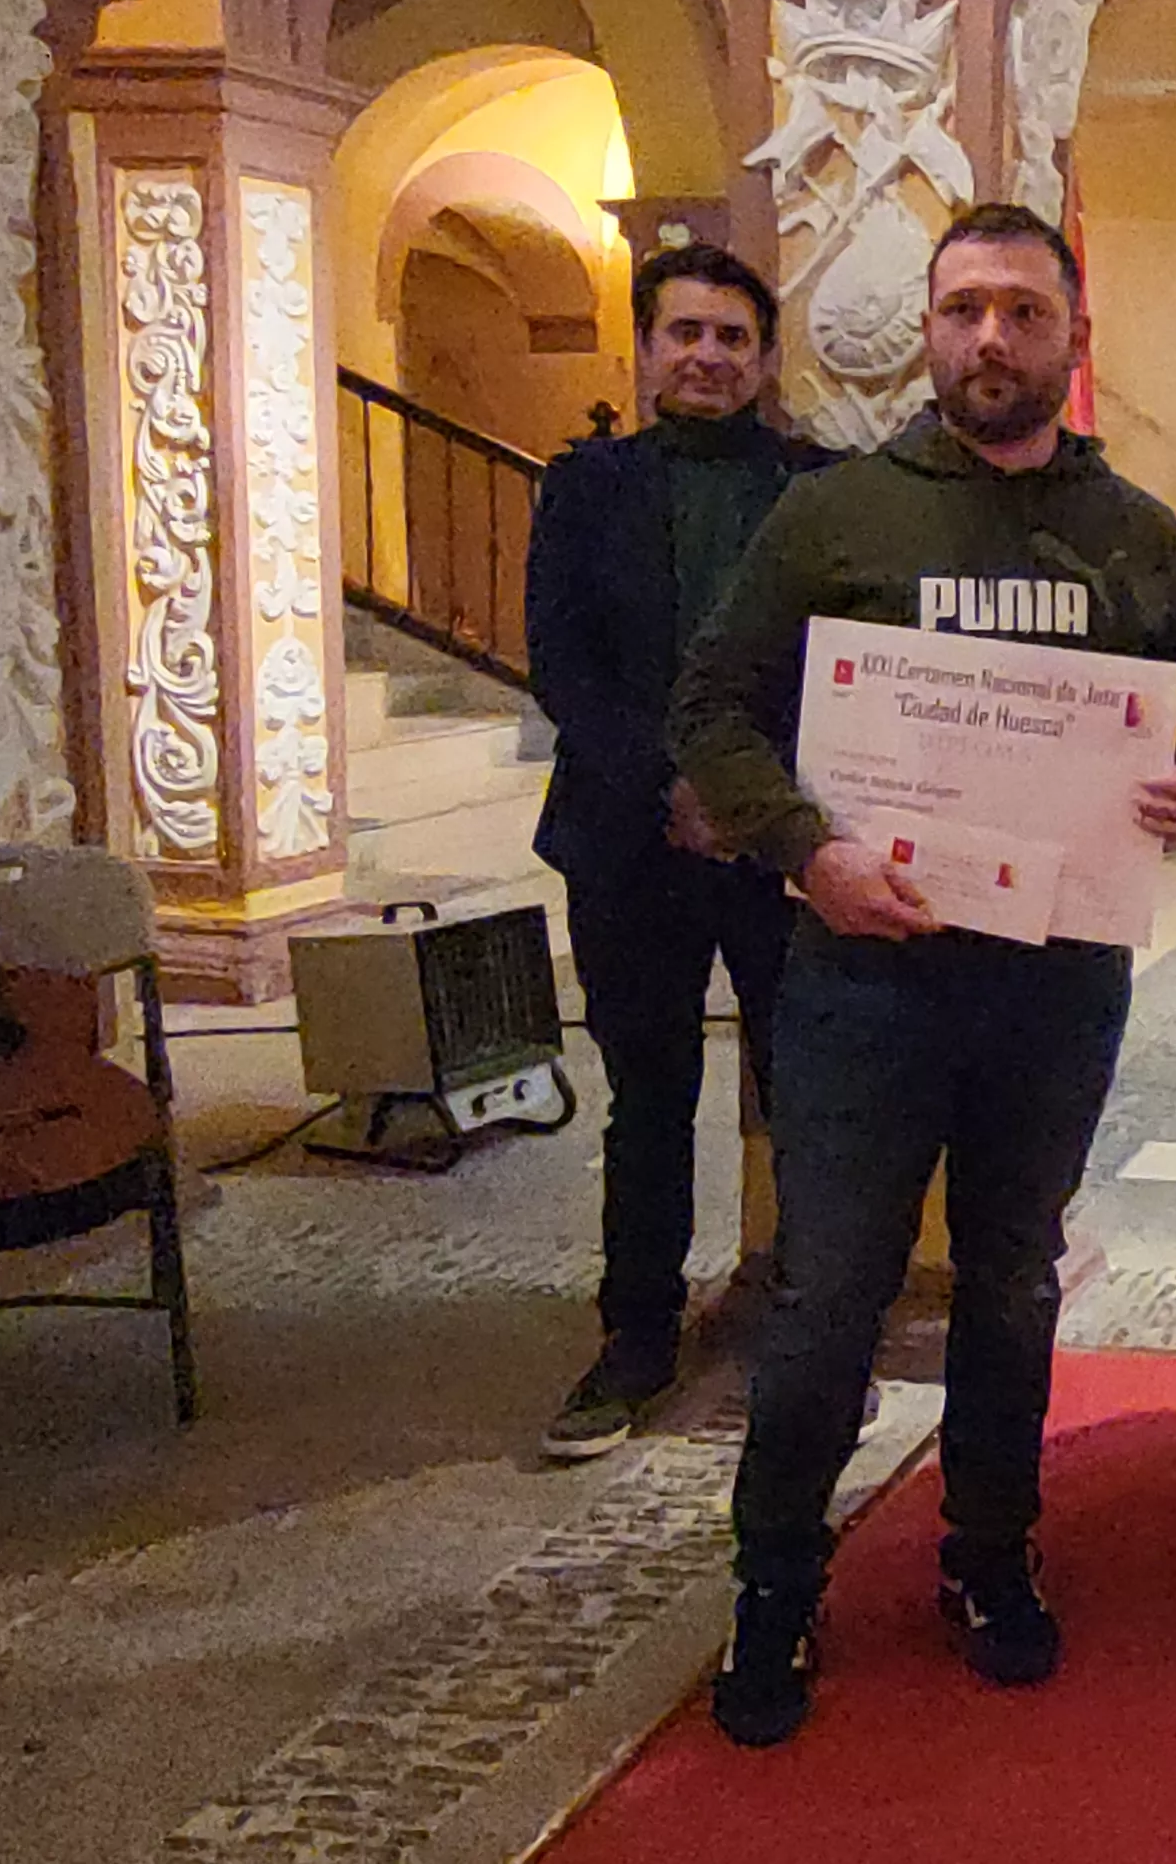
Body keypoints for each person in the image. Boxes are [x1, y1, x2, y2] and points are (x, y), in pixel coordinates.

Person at [669, 203, 1176, 1742]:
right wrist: (808, 851)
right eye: (965, 308)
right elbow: (712, 709)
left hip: (1052, 986)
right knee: (828, 1294)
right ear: (929, 331)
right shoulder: (835, 515)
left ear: (1073, 338)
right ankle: (776, 1582)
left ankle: (987, 1554)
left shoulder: (1132, 532)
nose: (992, 337)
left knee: (1010, 1282)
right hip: (864, 978)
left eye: (1024, 311)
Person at [522, 243, 835, 1462]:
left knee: (807, 1093)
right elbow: (564, 664)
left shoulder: (817, 487)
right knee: (646, 1096)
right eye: (685, 333)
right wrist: (669, 784)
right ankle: (636, 1338)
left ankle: (809, 1340)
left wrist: (748, 799)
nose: (707, 355)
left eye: (732, 337)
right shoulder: (583, 486)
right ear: (646, 348)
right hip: (627, 837)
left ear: (765, 358)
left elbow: (834, 666)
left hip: (777, 845)